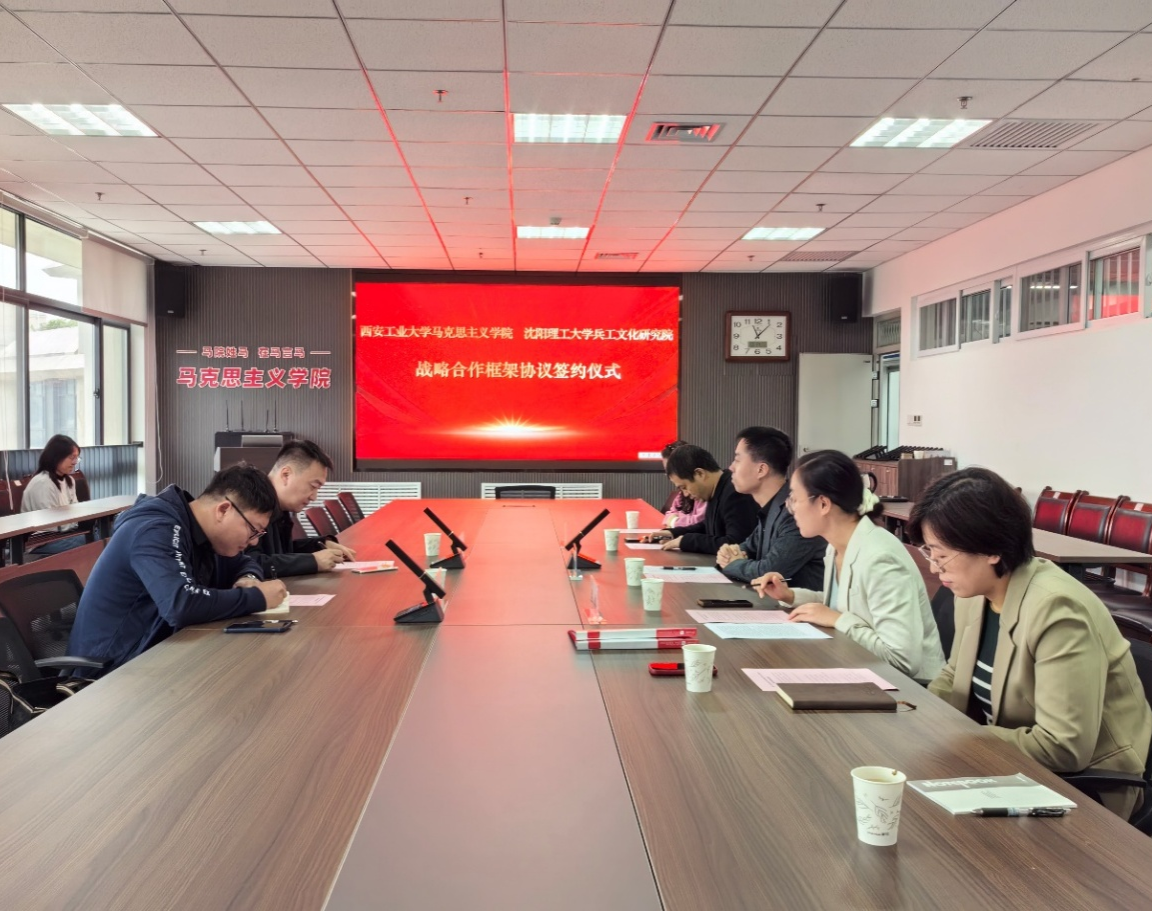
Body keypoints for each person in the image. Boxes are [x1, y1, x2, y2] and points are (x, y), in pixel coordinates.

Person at [909, 468, 1152, 819]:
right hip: (1011, 767)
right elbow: (953, 676)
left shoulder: (1057, 610)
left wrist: (962, 737)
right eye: (929, 552)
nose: (934, 568)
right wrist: (920, 718)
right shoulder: (976, 592)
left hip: (1084, 790)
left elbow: (1063, 748)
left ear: (991, 549)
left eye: (941, 554)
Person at [67, 464, 287, 675]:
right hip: (107, 674)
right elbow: (180, 604)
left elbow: (243, 562)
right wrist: (257, 597)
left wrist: (249, 578)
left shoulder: (201, 533)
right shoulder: (155, 530)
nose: (254, 542)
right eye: (253, 530)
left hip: (155, 658)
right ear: (223, 510)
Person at [754, 449, 945, 681]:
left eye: (794, 499)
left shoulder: (880, 558)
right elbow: (845, 605)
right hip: (860, 671)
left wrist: (837, 620)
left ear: (823, 504)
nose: (790, 509)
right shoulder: (836, 546)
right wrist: (790, 595)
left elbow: (902, 660)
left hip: (911, 688)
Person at [716, 426, 825, 591]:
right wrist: (728, 553)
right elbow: (746, 548)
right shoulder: (772, 507)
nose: (731, 467)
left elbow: (768, 571)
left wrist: (732, 563)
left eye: (737, 460)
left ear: (761, 470)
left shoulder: (796, 512)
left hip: (798, 605)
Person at [249, 440, 356, 577]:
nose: (314, 497)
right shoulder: (251, 503)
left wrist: (319, 545)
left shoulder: (280, 506)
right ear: (286, 475)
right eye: (313, 486)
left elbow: (282, 552)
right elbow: (250, 562)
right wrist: (312, 561)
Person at [648, 444, 759, 555]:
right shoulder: (717, 489)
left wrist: (688, 541)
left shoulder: (735, 492)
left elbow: (736, 544)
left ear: (700, 474)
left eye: (684, 487)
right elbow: (707, 526)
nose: (685, 494)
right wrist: (674, 533)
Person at [20, 434, 92, 555]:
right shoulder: (43, 482)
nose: (74, 462)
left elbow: (76, 512)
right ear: (57, 457)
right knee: (92, 540)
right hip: (42, 541)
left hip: (64, 534)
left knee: (101, 535)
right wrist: (73, 521)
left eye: (77, 458)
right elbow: (51, 525)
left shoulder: (69, 481)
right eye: (71, 457)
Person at [658, 440, 706, 529]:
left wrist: (675, 521)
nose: (670, 476)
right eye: (667, 472)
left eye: (671, 471)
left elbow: (697, 523)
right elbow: (669, 514)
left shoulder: (703, 493)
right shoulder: (682, 494)